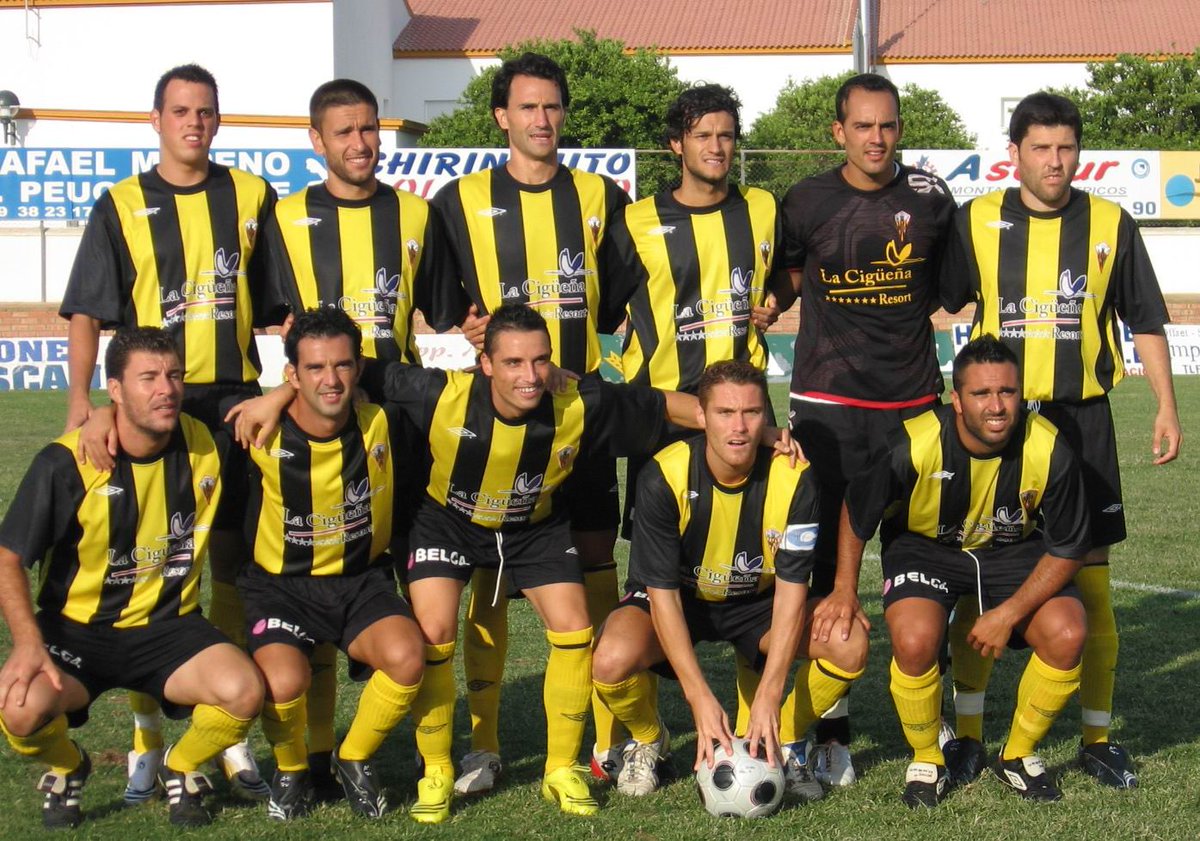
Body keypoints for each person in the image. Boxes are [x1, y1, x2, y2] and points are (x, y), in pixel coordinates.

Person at [359, 304, 799, 823]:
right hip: (448, 521)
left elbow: (658, 406)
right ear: (485, 364)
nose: (530, 376)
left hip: (534, 527)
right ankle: (436, 771)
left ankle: (561, 769)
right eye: (515, 363)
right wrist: (277, 395)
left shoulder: (577, 402)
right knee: (434, 631)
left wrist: (748, 426)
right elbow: (348, 370)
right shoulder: (437, 394)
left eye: (540, 361)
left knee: (574, 628)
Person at [940, 92, 1182, 790]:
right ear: (1013, 154)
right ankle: (971, 738)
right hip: (1000, 425)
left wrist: (1166, 405)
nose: (1055, 161)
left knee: (1094, 581)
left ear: (1080, 152)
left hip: (1083, 421)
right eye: (1041, 148)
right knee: (980, 576)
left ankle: (1098, 738)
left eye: (1066, 148)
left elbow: (1144, 320)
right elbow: (937, 296)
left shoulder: (1110, 222)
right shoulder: (977, 219)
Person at [58, 63, 275, 801]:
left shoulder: (250, 195)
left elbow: (281, 304)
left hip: (235, 407)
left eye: (207, 112)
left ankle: (229, 732)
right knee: (151, 571)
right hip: (152, 408)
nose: (195, 123)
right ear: (155, 119)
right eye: (181, 111)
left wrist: (278, 391)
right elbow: (88, 312)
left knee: (235, 571)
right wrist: (80, 405)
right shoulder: (120, 204)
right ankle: (150, 736)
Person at [430, 51, 631, 795]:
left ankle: (610, 742)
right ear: (501, 117)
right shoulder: (459, 200)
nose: (542, 120)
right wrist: (471, 326)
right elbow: (438, 296)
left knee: (595, 562)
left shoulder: (598, 196)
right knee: (487, 576)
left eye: (553, 107)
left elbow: (616, 304)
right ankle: (482, 746)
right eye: (528, 107)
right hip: (500, 429)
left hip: (574, 425)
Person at [261, 77, 465, 797]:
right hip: (315, 432)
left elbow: (444, 314)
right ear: (316, 141)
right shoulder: (284, 218)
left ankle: (430, 758)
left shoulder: (415, 212)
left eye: (369, 128)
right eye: (343, 131)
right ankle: (315, 757)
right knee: (315, 587)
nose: (360, 143)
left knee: (427, 608)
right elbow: (271, 323)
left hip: (399, 430)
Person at [598, 81, 791, 778]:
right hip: (670, 427)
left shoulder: (764, 208)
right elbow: (596, 308)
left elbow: (791, 271)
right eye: (703, 135)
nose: (717, 147)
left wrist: (777, 299)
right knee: (657, 579)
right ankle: (643, 738)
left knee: (754, 571)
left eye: (727, 135)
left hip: (747, 422)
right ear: (676, 144)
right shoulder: (637, 220)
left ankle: (755, 735)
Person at [0, 327, 265, 829]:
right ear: (115, 388)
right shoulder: (66, 462)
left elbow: (302, 406)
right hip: (78, 631)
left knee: (243, 691)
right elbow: (7, 558)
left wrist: (287, 388)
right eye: (147, 378)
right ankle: (66, 766)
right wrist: (28, 644)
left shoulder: (205, 440)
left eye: (173, 375)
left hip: (170, 629)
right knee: (17, 708)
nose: (165, 388)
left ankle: (180, 767)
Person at [774, 72, 957, 784]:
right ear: (838, 132)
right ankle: (831, 728)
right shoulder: (807, 199)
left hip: (912, 404)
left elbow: (948, 287)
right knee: (825, 573)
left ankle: (932, 707)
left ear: (899, 129)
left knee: (925, 556)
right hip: (826, 405)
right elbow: (787, 277)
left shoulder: (932, 200)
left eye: (888, 126)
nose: (876, 138)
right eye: (863, 126)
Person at [591, 360, 866, 802]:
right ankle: (649, 737)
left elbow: (793, 593)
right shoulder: (664, 475)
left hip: (757, 602)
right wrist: (699, 697)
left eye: (752, 413)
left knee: (848, 642)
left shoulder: (794, 476)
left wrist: (772, 694)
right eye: (725, 413)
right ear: (701, 416)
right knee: (609, 659)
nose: (738, 427)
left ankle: (785, 743)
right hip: (683, 598)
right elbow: (662, 599)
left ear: (768, 417)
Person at [840, 335, 1090, 806]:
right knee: (914, 641)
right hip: (925, 549)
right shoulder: (913, 442)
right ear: (956, 399)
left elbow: (1070, 546)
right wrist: (843, 589)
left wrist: (1008, 613)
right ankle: (927, 758)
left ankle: (1016, 756)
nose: (996, 406)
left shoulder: (1049, 447)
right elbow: (858, 512)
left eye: (1007, 392)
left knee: (1068, 633)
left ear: (1021, 392)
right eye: (981, 394)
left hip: (1011, 551)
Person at [225, 308, 426, 821]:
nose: (330, 379)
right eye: (314, 368)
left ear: (358, 368)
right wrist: (95, 414)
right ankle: (291, 769)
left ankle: (353, 757)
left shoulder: (383, 421)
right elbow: (166, 416)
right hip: (281, 588)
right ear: (291, 376)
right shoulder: (254, 428)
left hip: (360, 583)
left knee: (407, 658)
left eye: (341, 365)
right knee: (283, 683)